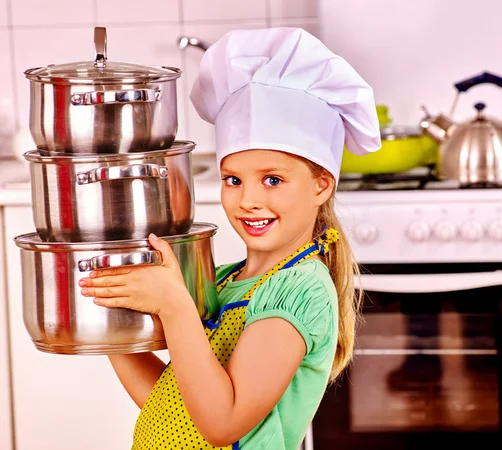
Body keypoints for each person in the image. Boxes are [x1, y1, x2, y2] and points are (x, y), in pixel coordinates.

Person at [79, 27, 381, 449]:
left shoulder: (299, 291)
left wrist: (174, 305)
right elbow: (174, 405)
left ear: (321, 185)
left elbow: (222, 425)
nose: (249, 200)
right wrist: (115, 319)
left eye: (273, 179)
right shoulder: (222, 280)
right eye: (233, 179)